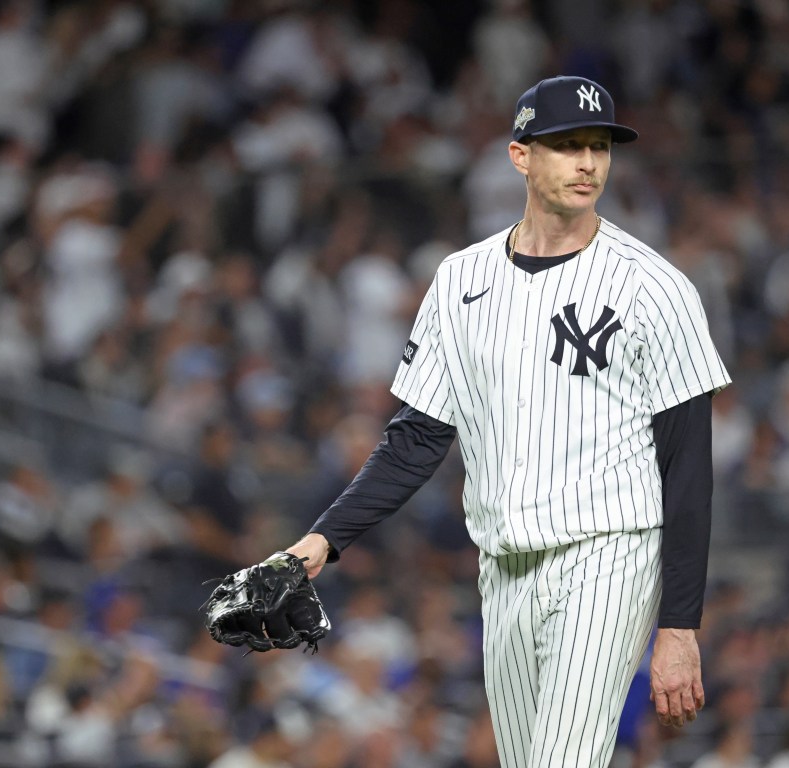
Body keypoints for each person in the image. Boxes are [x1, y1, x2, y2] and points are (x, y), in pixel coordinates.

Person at [285, 75, 731, 767]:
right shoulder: (460, 281)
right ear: (521, 156)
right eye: (567, 145)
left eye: (599, 146)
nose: (588, 163)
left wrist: (678, 626)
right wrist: (320, 543)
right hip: (503, 568)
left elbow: (688, 467)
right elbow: (416, 440)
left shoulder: (654, 287)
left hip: (608, 555)